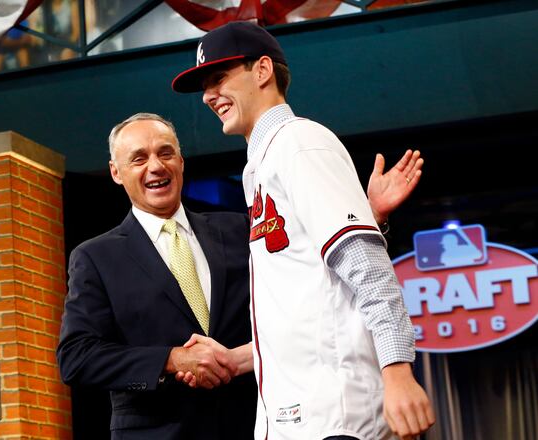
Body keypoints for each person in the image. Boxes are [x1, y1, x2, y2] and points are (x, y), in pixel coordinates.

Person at [57, 110, 422, 439]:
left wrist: (369, 218)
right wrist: (171, 359)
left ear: (181, 162)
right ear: (116, 173)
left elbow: (312, 271)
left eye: (165, 153)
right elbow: (77, 357)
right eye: (139, 158)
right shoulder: (95, 257)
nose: (155, 166)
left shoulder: (240, 230)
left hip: (253, 425)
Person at [171, 21, 434, 439]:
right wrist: (236, 359)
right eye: (205, 85)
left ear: (262, 70)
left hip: (338, 416)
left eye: (219, 78)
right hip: (299, 418)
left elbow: (366, 267)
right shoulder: (259, 166)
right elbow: (309, 304)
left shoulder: (300, 142)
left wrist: (397, 371)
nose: (207, 95)